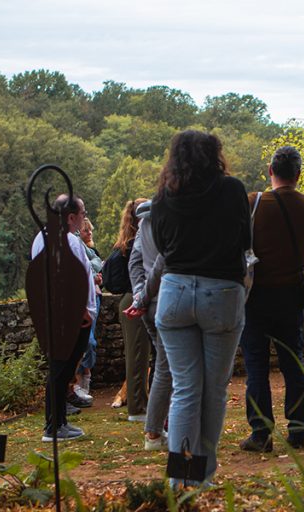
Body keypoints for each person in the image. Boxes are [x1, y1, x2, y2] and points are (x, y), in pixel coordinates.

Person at [152, 130, 251, 486]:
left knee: (185, 389)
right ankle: (203, 476)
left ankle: (179, 479)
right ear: (215, 155)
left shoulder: (164, 195)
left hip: (175, 292)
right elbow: (245, 240)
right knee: (214, 390)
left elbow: (162, 246)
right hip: (221, 294)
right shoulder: (233, 189)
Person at [239, 146, 304, 453]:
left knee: (257, 366)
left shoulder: (253, 203)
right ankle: (298, 429)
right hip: (291, 297)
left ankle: (261, 433)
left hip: (256, 297)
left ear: (270, 171)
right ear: (298, 175)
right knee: (293, 363)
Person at [31, 194, 97, 441]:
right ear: (71, 217)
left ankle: (58, 422)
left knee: (59, 370)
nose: (84, 219)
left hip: (54, 315)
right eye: (82, 214)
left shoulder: (42, 236)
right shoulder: (68, 240)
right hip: (70, 317)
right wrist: (81, 311)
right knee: (62, 370)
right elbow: (69, 279)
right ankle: (54, 426)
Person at [128, 199, 172, 450]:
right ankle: (155, 432)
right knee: (169, 369)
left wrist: (138, 293)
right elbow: (164, 260)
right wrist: (142, 296)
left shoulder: (144, 221)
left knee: (164, 365)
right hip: (166, 300)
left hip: (147, 304)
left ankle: (162, 426)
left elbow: (135, 262)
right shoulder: (173, 218)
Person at [112, 198, 151, 422]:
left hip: (129, 300)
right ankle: (137, 409)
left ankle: (141, 403)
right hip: (133, 301)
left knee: (140, 355)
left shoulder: (125, 243)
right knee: (137, 356)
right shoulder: (134, 243)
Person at [74, 217, 102, 403]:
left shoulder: (91, 251)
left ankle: (85, 382)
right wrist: (93, 274)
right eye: (86, 231)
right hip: (82, 299)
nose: (89, 233)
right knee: (86, 342)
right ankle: (77, 384)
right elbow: (84, 268)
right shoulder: (75, 245)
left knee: (89, 340)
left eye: (91, 230)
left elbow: (97, 262)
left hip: (95, 297)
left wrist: (94, 275)